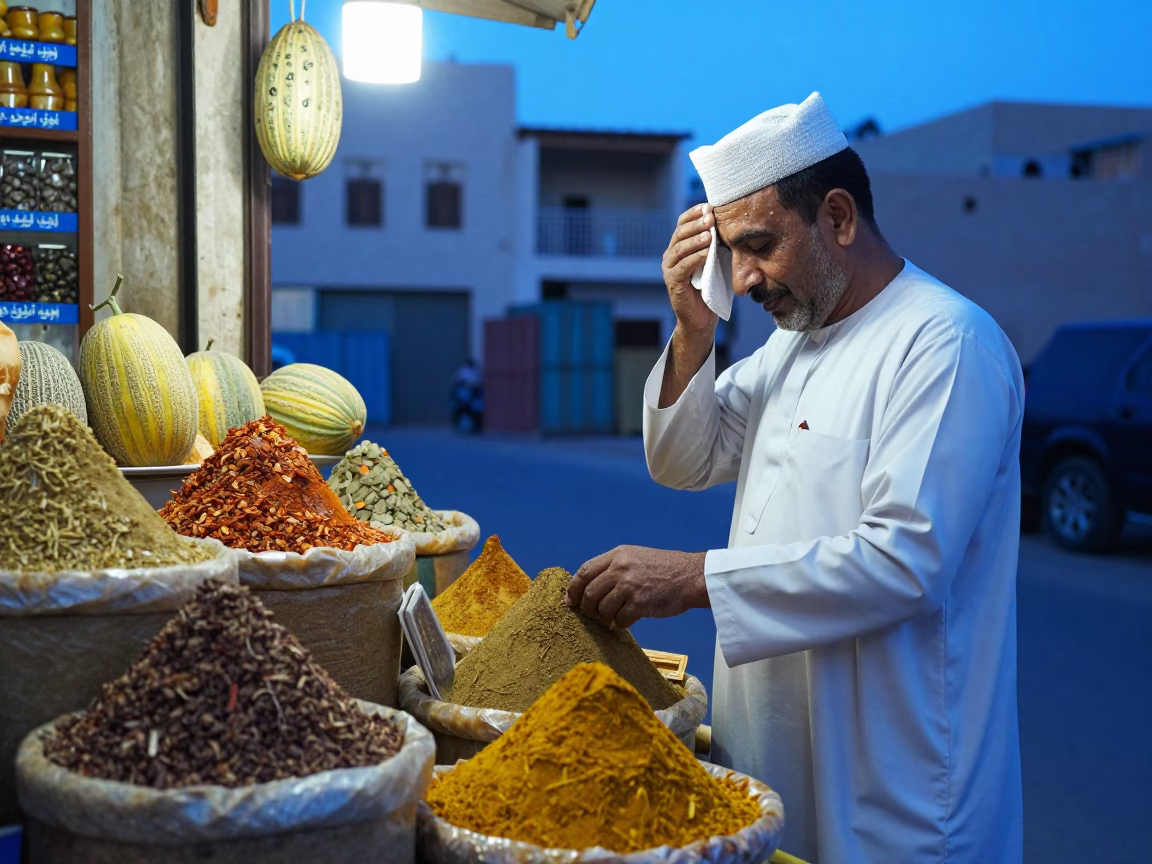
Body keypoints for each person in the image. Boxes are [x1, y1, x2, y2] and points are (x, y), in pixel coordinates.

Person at [566, 93, 1024, 863]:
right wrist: (693, 327)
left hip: (893, 778)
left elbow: (905, 561)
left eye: (758, 248)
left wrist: (692, 578)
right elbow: (685, 459)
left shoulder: (945, 343)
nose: (742, 280)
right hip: (773, 744)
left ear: (838, 218)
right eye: (729, 256)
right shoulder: (793, 346)